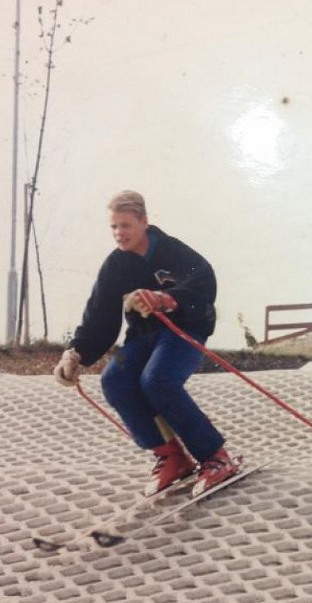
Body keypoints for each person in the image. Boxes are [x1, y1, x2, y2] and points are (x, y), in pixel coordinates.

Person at [53, 190, 238, 497]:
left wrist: (167, 299)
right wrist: (76, 353)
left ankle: (215, 457)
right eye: (113, 227)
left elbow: (204, 283)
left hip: (184, 329)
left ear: (144, 222)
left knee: (158, 380)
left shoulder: (172, 251)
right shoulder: (115, 266)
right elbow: (100, 315)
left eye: (125, 225)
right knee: (115, 381)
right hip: (143, 335)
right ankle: (171, 456)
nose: (118, 233)